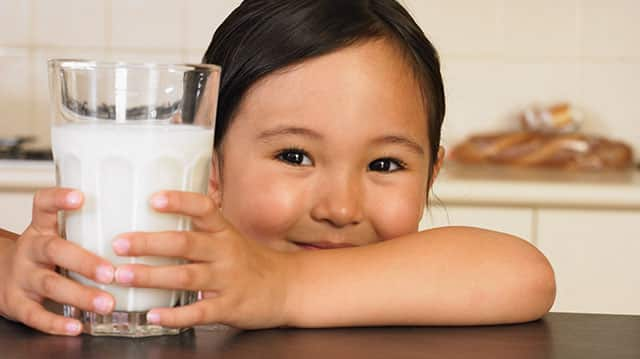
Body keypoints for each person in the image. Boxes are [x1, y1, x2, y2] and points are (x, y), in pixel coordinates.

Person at [0, 0, 556, 336]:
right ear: (207, 167)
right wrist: (14, 270)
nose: (340, 208)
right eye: (294, 156)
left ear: (432, 174)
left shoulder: (414, 283)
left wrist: (281, 287)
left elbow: (525, 274)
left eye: (385, 163)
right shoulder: (159, 279)